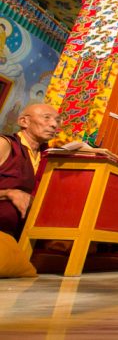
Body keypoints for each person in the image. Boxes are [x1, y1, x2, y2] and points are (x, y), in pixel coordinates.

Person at [0, 103, 59, 240]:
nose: (54, 125)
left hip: (27, 236)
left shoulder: (48, 156)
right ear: (24, 121)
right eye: (46, 118)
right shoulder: (5, 145)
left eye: (57, 120)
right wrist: (8, 193)